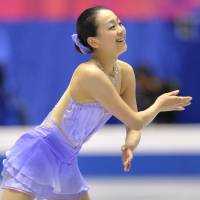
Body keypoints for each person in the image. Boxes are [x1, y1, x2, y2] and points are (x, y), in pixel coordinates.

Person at [0, 6, 192, 200]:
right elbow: (136, 121)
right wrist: (159, 105)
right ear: (94, 41)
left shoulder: (125, 72)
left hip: (67, 158)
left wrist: (129, 145)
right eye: (111, 27)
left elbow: (132, 125)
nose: (120, 29)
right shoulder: (89, 74)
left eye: (119, 23)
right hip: (41, 151)